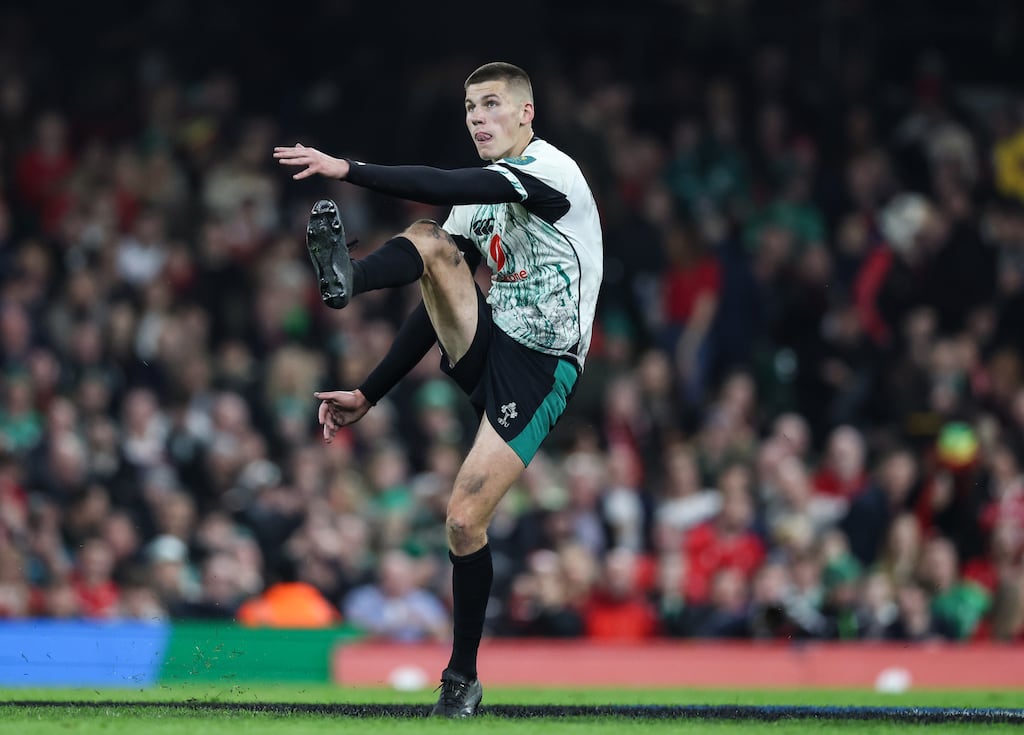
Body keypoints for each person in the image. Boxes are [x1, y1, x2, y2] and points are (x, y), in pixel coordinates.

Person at [274, 61, 603, 717]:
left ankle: (462, 677)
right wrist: (369, 392)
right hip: (492, 343)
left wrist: (347, 169)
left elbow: (444, 181)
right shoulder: (479, 201)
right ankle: (348, 278)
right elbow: (435, 292)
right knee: (430, 240)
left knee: (462, 521)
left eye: (491, 104)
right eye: (470, 107)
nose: (477, 117)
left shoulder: (551, 171)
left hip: (543, 368)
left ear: (525, 113)